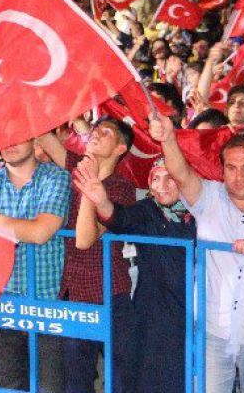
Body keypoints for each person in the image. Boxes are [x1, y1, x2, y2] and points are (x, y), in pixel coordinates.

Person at [148, 111, 244, 393]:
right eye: (231, 167)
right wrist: (169, 138)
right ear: (222, 169)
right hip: (213, 333)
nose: (239, 176)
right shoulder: (209, 198)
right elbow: (181, 173)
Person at [0, 139, 70, 393]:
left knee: (50, 387)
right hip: (2, 301)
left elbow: (42, 232)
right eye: (4, 138)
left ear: (34, 139)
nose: (10, 144)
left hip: (48, 304)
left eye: (19, 136)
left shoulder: (57, 178)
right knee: (8, 385)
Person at [74, 158, 195, 393]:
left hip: (193, 313)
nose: (162, 185)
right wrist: (101, 200)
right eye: (156, 178)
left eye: (170, 177)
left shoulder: (200, 213)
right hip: (152, 313)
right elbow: (120, 219)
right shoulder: (147, 210)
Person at [37, 118, 139, 393]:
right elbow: (42, 134)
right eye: (95, 130)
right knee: (76, 382)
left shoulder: (121, 188)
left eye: (106, 133)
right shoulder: (77, 167)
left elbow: (84, 239)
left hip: (109, 293)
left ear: (120, 148)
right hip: (73, 292)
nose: (96, 134)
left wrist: (90, 185)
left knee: (119, 380)